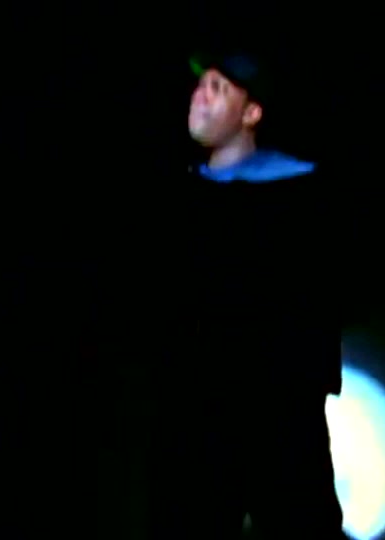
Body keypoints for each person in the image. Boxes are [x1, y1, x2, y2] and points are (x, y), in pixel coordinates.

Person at [148, 49, 347, 539]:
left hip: (280, 411)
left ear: (251, 112)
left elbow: (324, 298)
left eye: (218, 88)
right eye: (200, 86)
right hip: (197, 412)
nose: (200, 97)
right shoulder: (180, 196)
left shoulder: (304, 194)